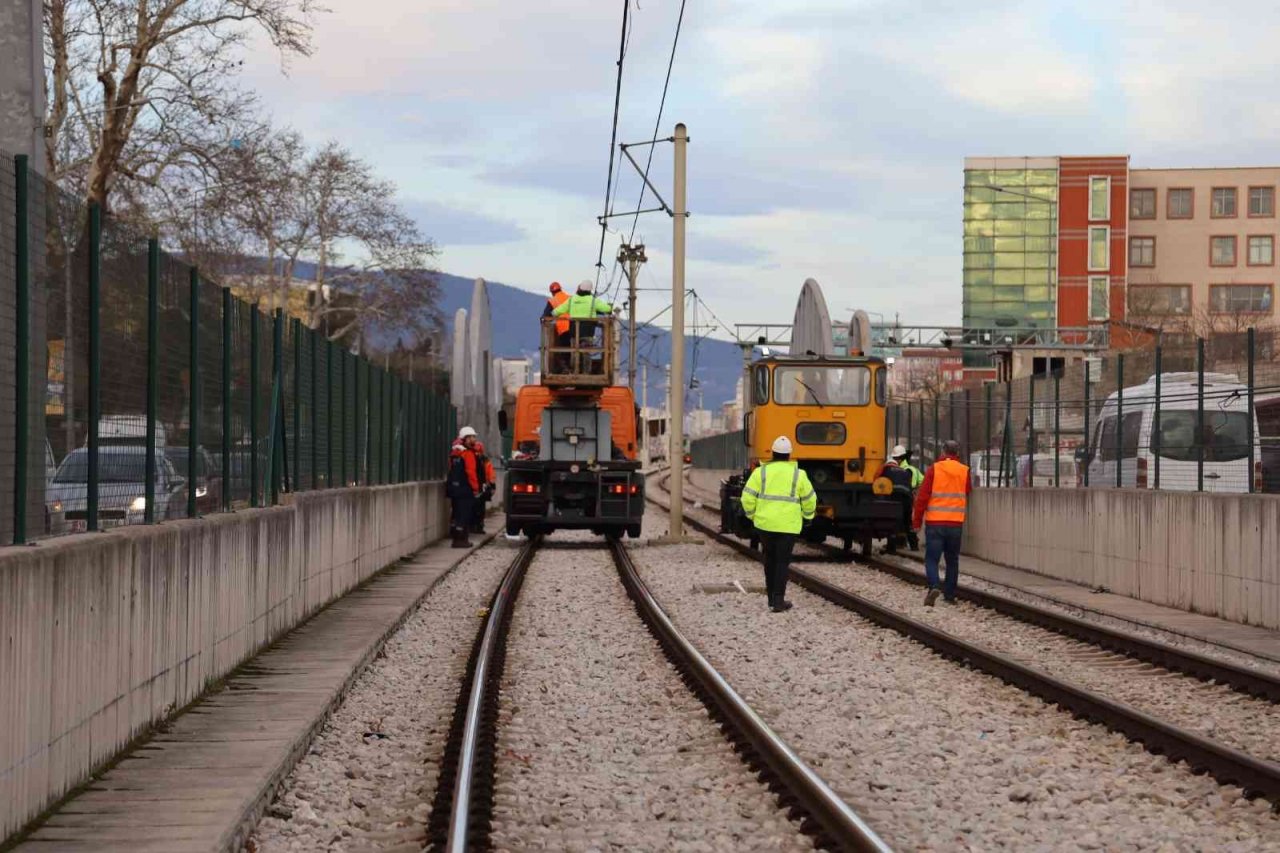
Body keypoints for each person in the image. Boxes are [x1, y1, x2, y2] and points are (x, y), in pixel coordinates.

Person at [739, 436, 817, 613]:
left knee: (769, 560)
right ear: (789, 455)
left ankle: (770, 599)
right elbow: (810, 499)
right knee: (782, 562)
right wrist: (808, 516)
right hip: (788, 526)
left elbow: (747, 497)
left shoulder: (761, 472)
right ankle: (778, 600)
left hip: (765, 525)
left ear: (772, 453)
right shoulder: (799, 474)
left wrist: (753, 516)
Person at [912, 439, 972, 606]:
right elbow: (967, 490)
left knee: (932, 559)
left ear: (943, 452)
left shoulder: (934, 469)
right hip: (955, 524)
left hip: (935, 523)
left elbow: (922, 497)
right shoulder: (964, 471)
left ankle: (933, 586)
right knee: (952, 560)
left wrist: (917, 521)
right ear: (957, 453)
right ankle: (950, 596)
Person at [551, 281, 614, 373]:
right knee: (586, 352)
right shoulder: (593, 300)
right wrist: (610, 307)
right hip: (587, 331)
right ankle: (586, 372)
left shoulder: (572, 300)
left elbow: (556, 312)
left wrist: (551, 314)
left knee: (574, 352)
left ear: (579, 288)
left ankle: (574, 371)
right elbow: (607, 309)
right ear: (589, 290)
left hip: (573, 331)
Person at [877, 445, 917, 552]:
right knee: (908, 522)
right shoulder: (904, 471)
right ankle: (914, 546)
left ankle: (891, 548)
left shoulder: (886, 469)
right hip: (907, 498)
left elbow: (878, 481)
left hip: (895, 497)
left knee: (893, 522)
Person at [447, 426, 482, 547]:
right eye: (472, 437)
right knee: (464, 515)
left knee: (456, 514)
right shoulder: (468, 453)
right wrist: (476, 488)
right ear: (466, 439)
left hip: (454, 489)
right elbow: (471, 472)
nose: (474, 439)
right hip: (465, 489)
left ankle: (456, 538)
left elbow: (451, 469)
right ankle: (461, 540)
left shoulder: (455, 452)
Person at [542, 282, 571, 371]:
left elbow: (546, 316)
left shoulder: (553, 300)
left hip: (563, 327)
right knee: (576, 347)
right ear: (560, 289)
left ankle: (565, 367)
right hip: (574, 326)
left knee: (564, 348)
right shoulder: (570, 298)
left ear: (552, 292)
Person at [470, 440, 497, 534]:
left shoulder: (471, 458)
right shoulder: (485, 461)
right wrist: (493, 486)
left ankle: (474, 526)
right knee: (480, 508)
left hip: (474, 487)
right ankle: (478, 526)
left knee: (474, 507)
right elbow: (491, 475)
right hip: (481, 487)